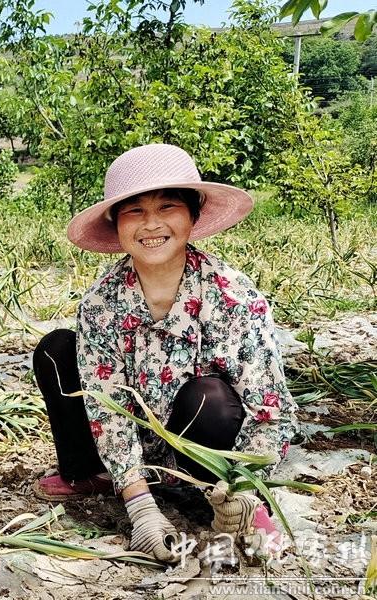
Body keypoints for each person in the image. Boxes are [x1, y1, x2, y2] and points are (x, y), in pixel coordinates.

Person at [31, 144, 297, 562]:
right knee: (56, 349)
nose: (151, 224)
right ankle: (97, 476)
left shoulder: (232, 296)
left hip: (202, 454)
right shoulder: (102, 302)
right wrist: (139, 505)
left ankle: (234, 503)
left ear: (192, 216)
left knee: (208, 395)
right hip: (130, 454)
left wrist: (246, 485)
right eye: (133, 210)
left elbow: (271, 409)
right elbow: (107, 406)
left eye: (167, 206)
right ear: (117, 224)